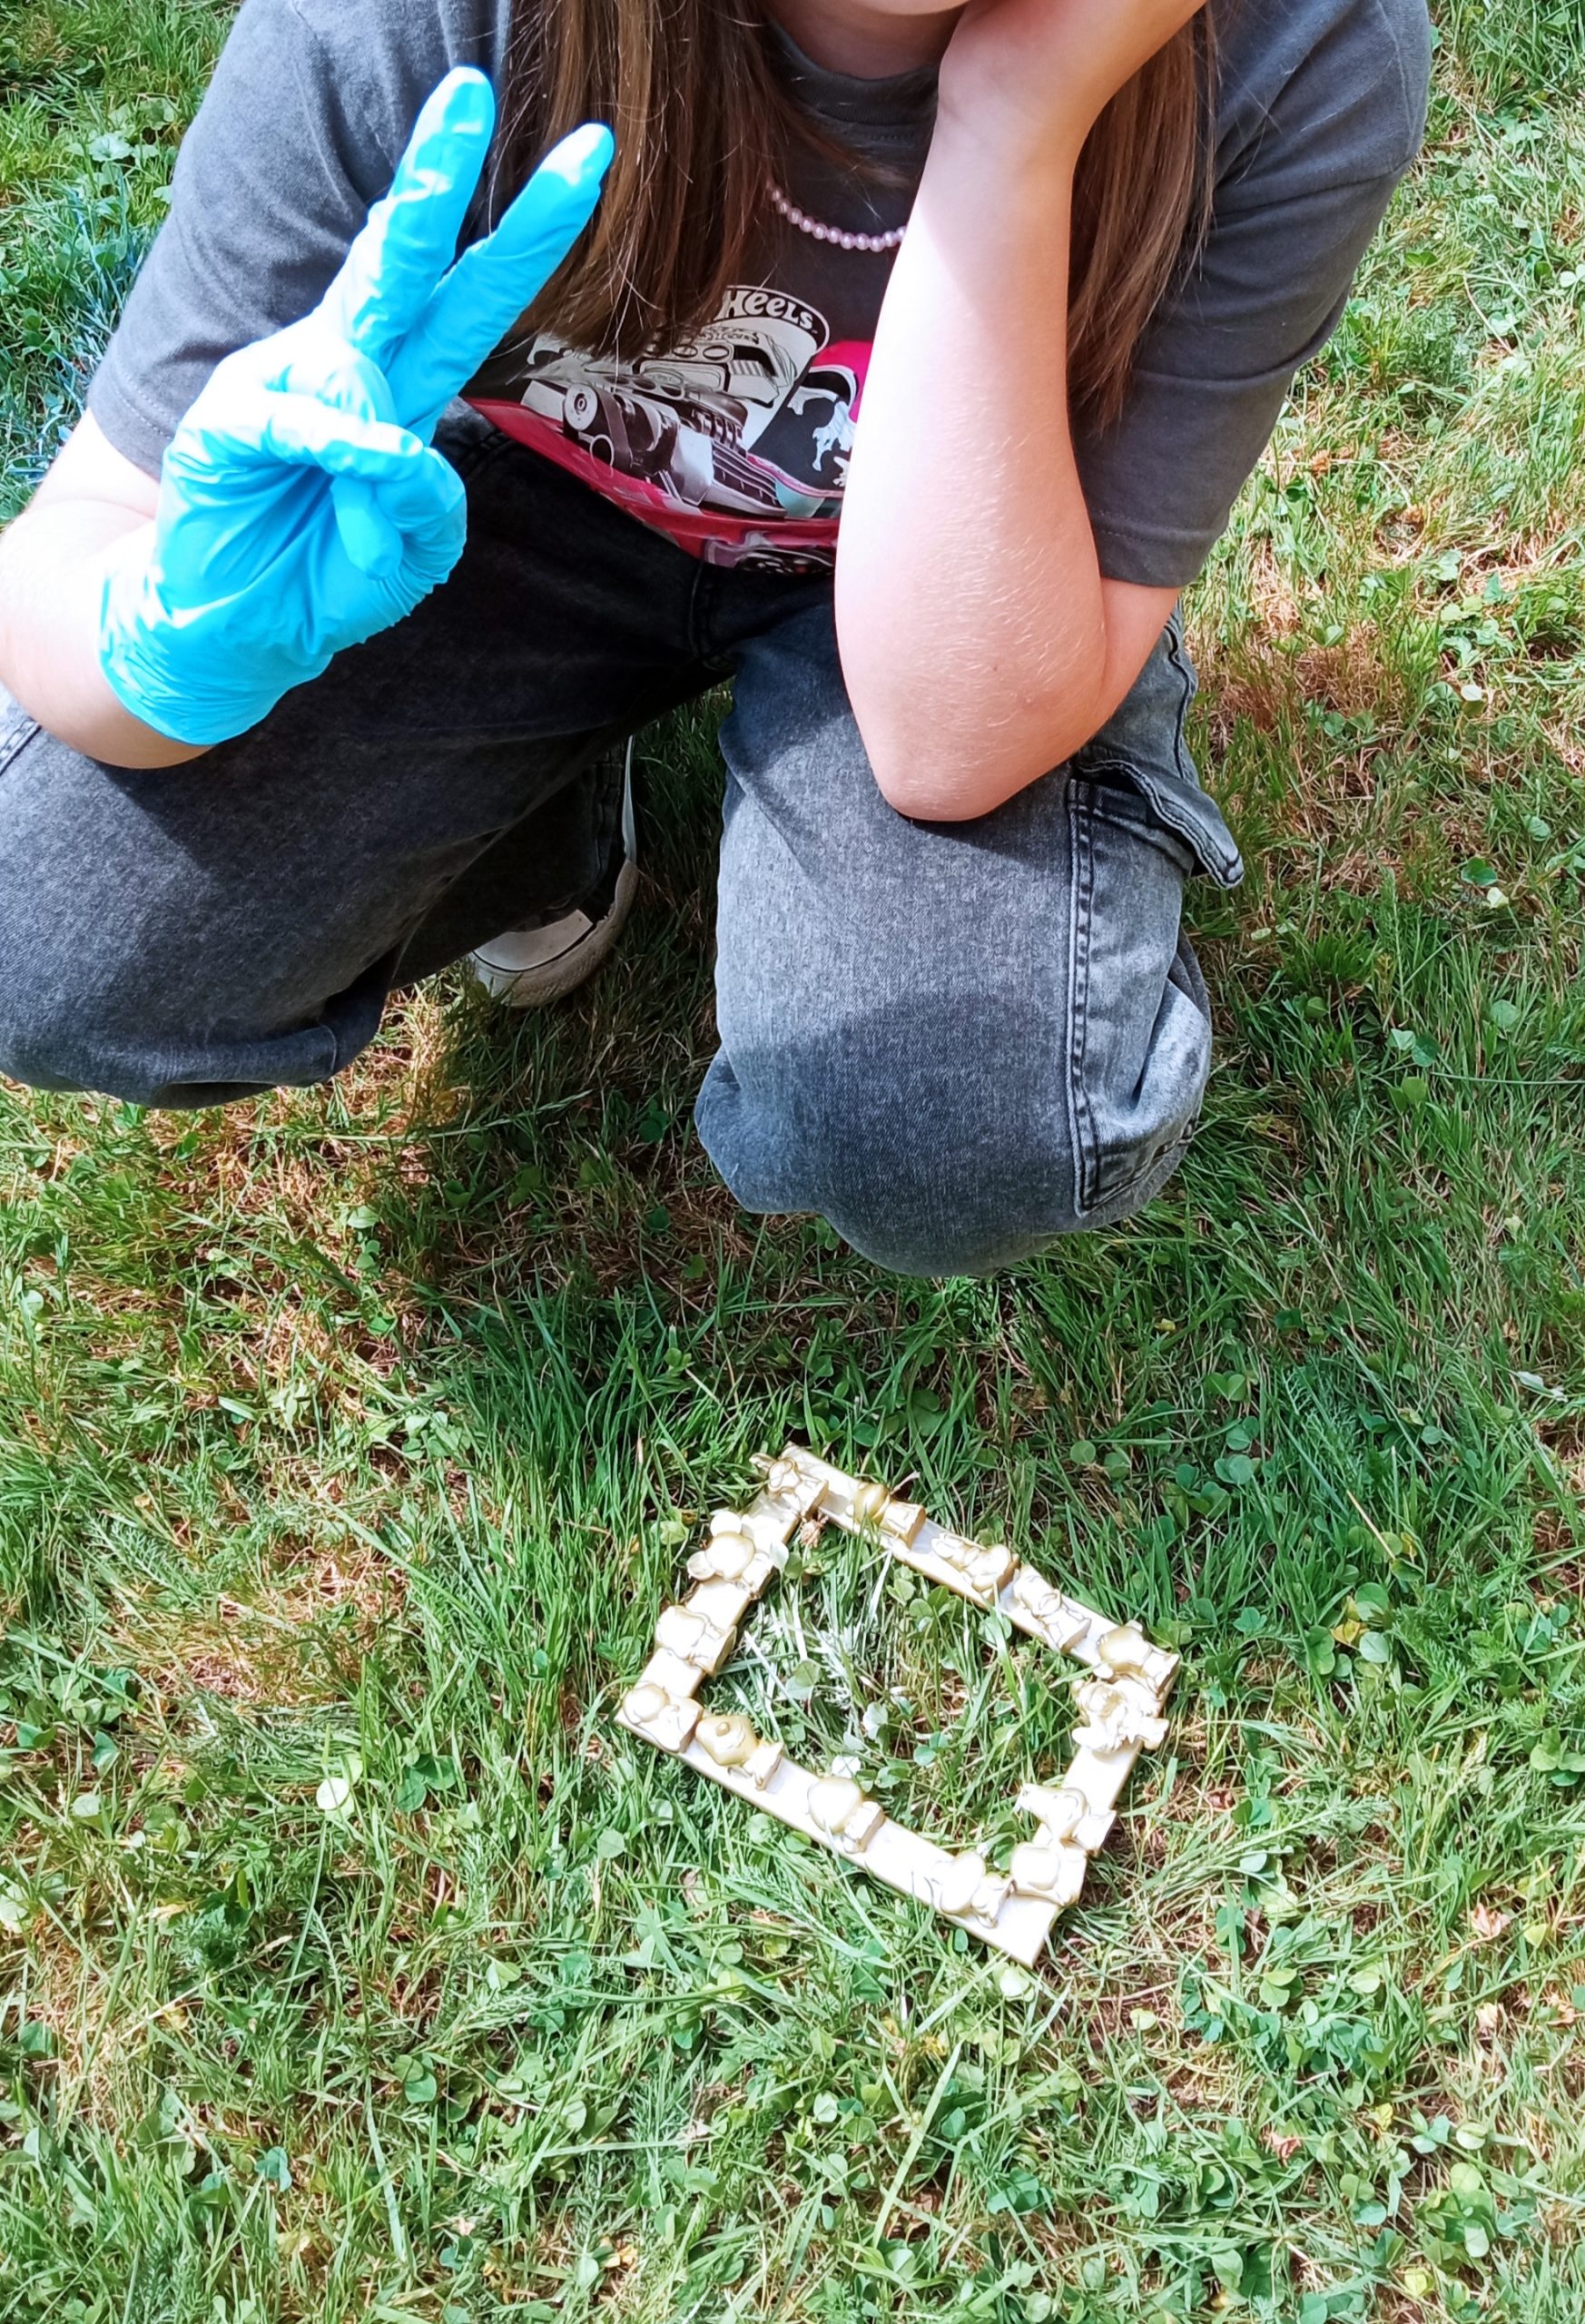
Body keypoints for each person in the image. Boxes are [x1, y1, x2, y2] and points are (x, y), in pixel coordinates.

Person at [0, 0, 1429, 1276]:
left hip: (974, 555)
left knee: (955, 1117)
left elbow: (954, 740)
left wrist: (1013, 116)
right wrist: (163, 645)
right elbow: (76, 547)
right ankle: (534, 828)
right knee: (39, 931)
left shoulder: (1293, 40)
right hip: (484, 518)